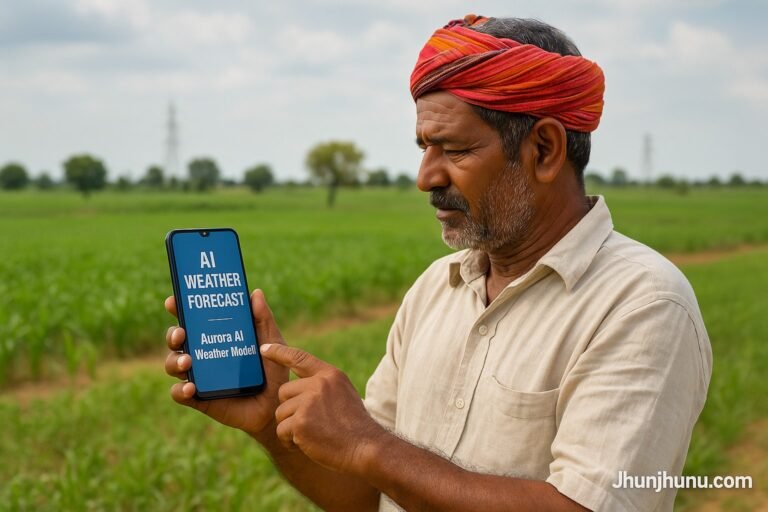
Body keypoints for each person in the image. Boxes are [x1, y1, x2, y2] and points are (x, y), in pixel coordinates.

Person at [163, 15, 712, 512]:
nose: (426, 176)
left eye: (454, 150)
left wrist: (368, 445)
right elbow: (370, 493)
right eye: (424, 147)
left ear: (544, 150)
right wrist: (269, 425)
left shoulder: (642, 303)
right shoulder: (436, 289)